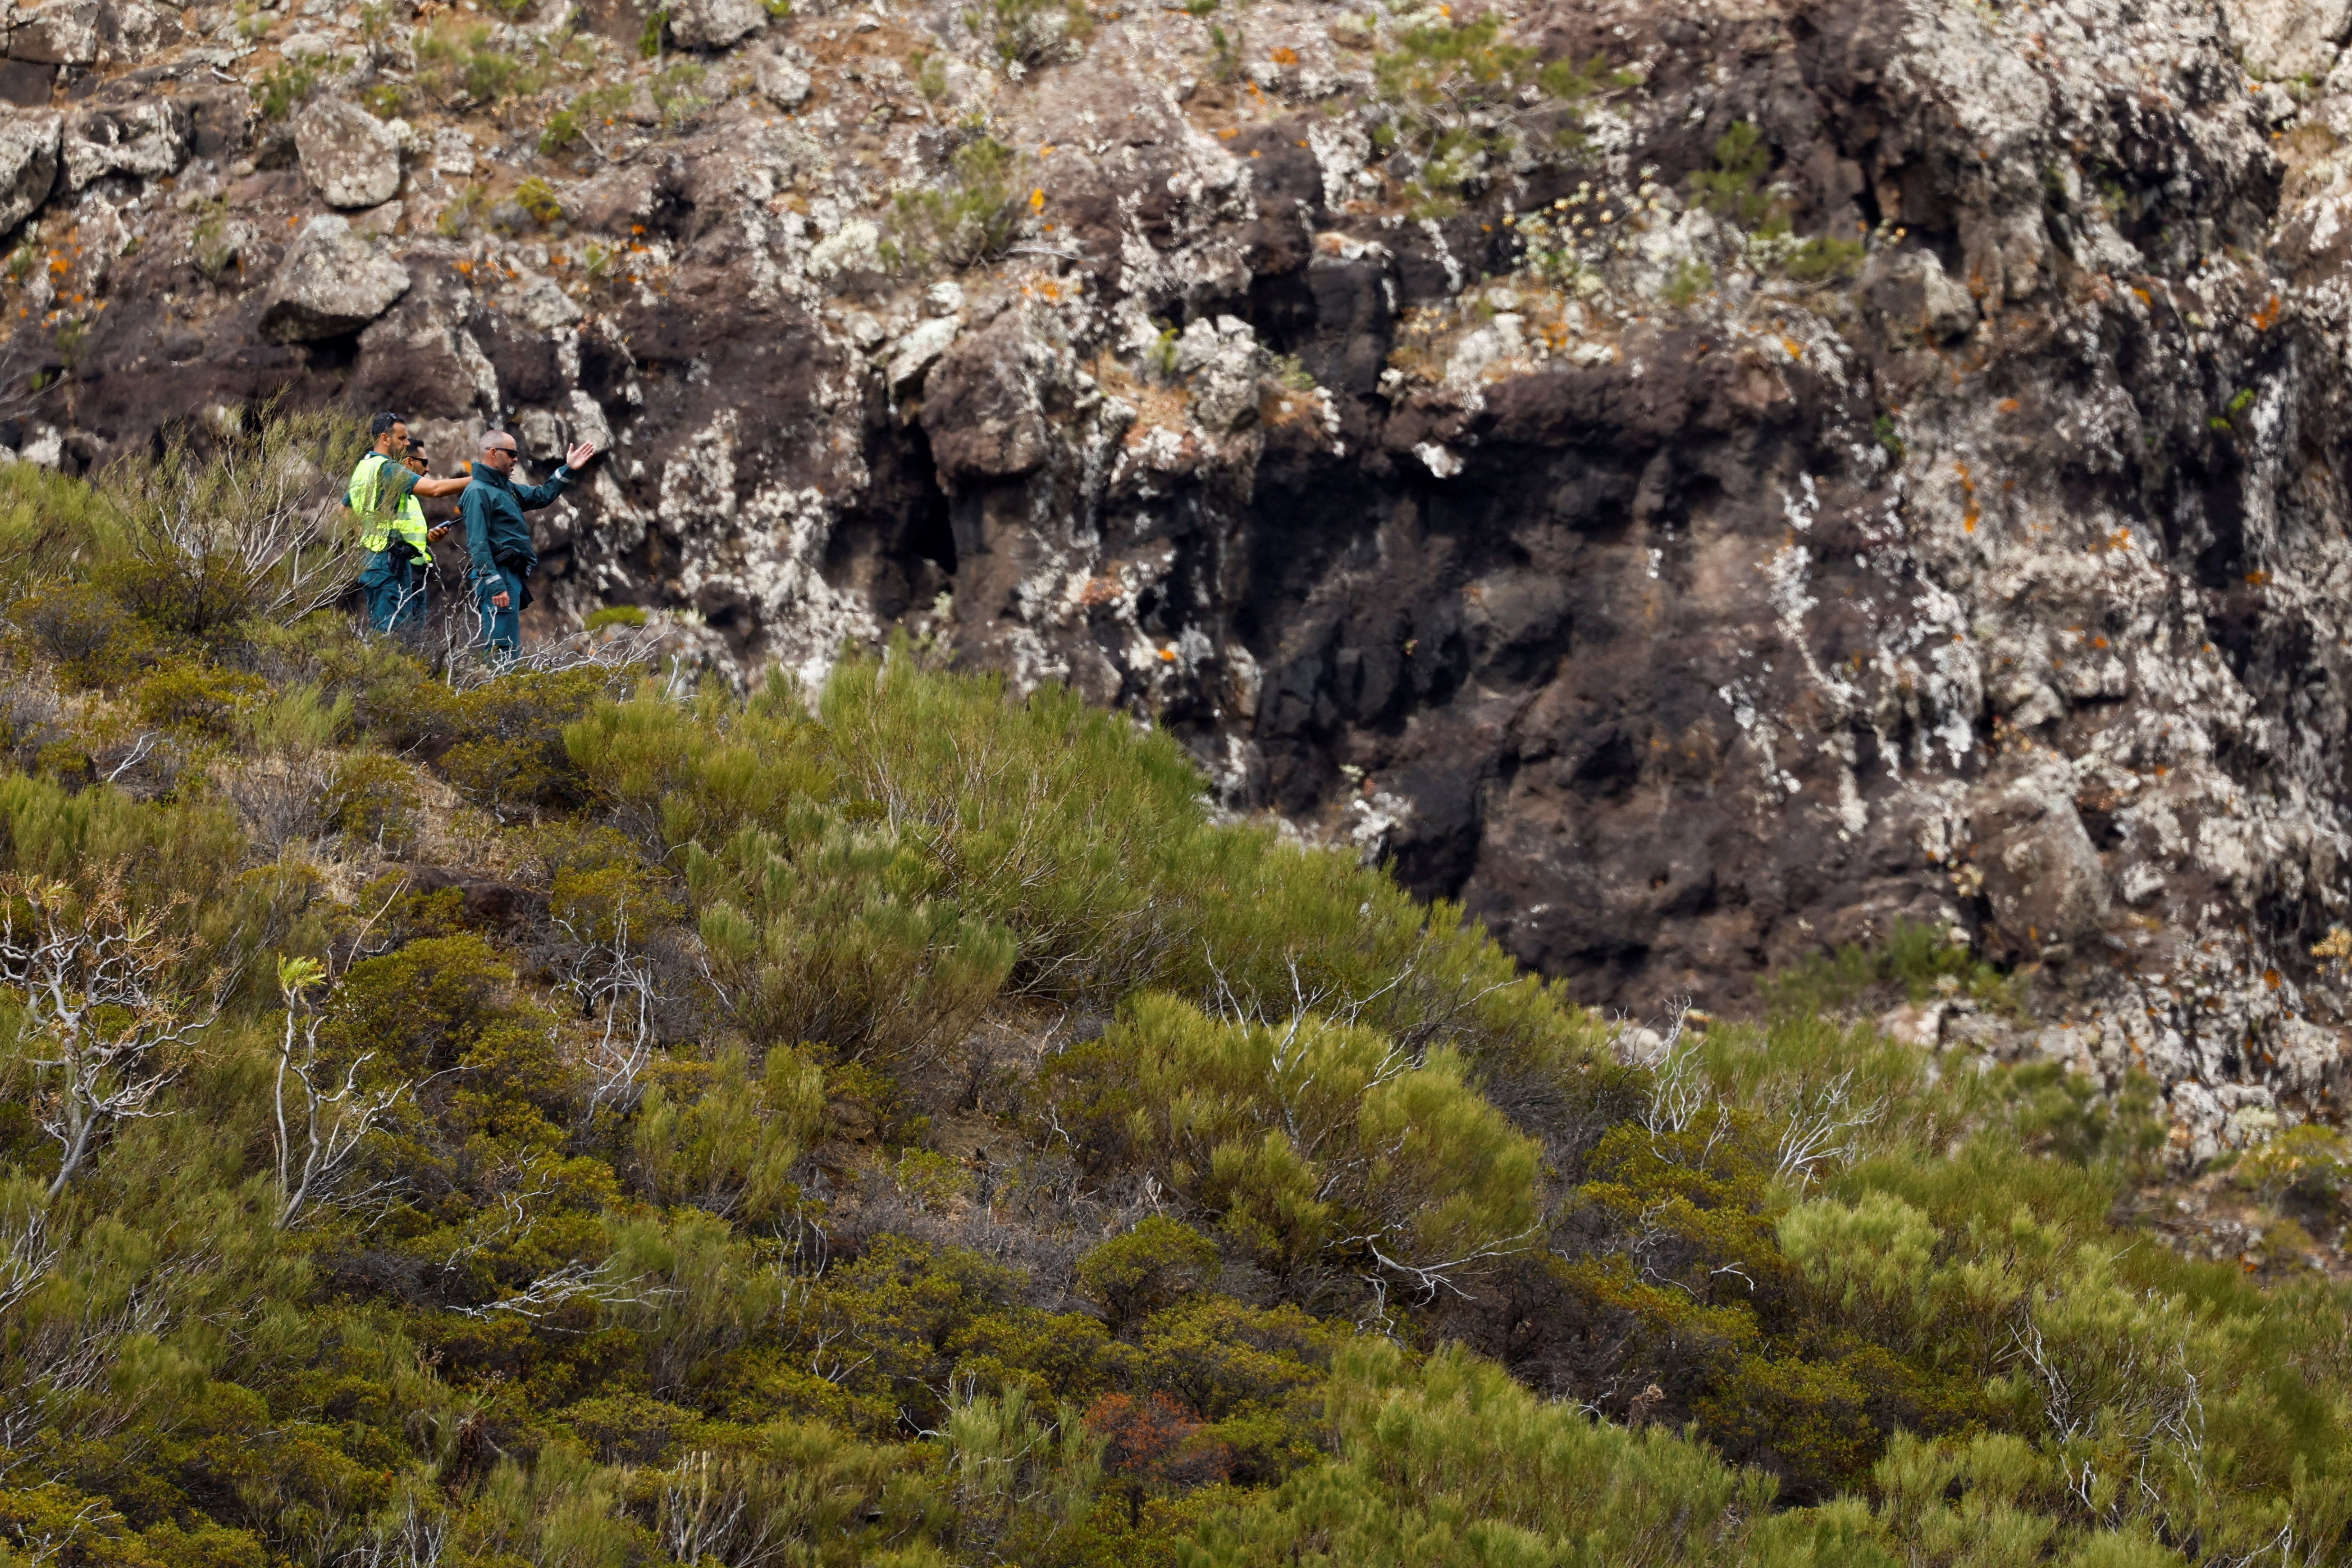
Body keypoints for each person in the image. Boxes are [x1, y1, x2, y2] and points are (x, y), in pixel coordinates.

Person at [461, 429, 597, 659]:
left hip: (509, 576)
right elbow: (478, 544)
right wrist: (496, 585)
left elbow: (541, 496)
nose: (516, 459)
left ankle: (504, 690)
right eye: (512, 453)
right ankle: (498, 691)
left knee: (509, 646)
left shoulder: (504, 489)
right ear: (494, 453)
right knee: (501, 648)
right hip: (499, 576)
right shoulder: (478, 492)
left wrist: (569, 469)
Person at [350, 413, 469, 633]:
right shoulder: (387, 468)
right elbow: (435, 489)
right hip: (388, 559)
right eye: (402, 439)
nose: (407, 444)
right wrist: (477, 479)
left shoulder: (363, 468)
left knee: (383, 630)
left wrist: (364, 535)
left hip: (370, 557)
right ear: (385, 439)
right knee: (394, 634)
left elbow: (343, 510)